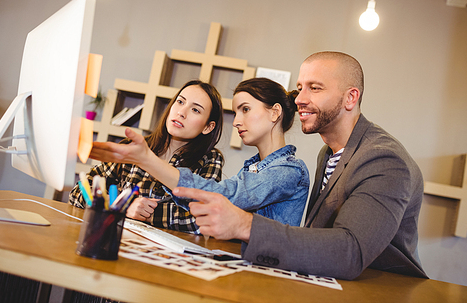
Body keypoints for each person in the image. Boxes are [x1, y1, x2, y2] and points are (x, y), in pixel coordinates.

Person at [170, 51, 428, 280]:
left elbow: (350, 252)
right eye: (300, 87)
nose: (299, 99)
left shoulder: (383, 159)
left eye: (314, 88)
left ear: (351, 98)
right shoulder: (326, 153)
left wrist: (244, 225)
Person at [89, 77, 310, 227]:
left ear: (275, 113)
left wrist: (147, 161)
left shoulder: (287, 170)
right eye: (236, 112)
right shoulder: (253, 169)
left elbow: (220, 198)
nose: (236, 122)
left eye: (245, 109)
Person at [69, 80, 224, 234]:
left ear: (208, 127)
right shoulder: (135, 147)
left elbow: (204, 218)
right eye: (180, 102)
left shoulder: (210, 159)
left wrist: (149, 214)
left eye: (195, 110)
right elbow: (79, 191)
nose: (181, 112)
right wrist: (125, 206)